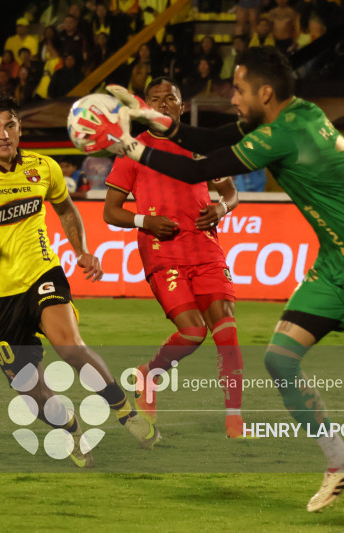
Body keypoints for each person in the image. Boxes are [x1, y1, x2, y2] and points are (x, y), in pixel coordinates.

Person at [86, 47, 344, 533]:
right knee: (280, 359)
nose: (232, 99)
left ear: (264, 93)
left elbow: (198, 168)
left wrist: (128, 145)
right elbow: (208, 138)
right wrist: (149, 118)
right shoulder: (296, 113)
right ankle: (340, 460)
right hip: (336, 262)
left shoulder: (284, 135)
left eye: (238, 90)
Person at [0, 94, 160, 468]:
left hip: (42, 273)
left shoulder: (43, 167)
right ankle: (71, 428)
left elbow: (66, 208)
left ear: (20, 127)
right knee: (30, 390)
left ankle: (125, 412)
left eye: (10, 125)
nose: (3, 134)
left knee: (70, 346)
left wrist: (81, 251)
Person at [102, 77, 246, 438]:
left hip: (205, 248)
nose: (163, 104)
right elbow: (110, 211)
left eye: (170, 98)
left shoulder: (199, 146)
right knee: (194, 332)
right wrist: (145, 221)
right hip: (161, 252)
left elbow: (230, 193)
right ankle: (149, 376)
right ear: (145, 107)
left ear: (182, 106)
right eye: (155, 99)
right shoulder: (133, 150)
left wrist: (222, 208)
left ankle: (235, 420)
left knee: (226, 329)